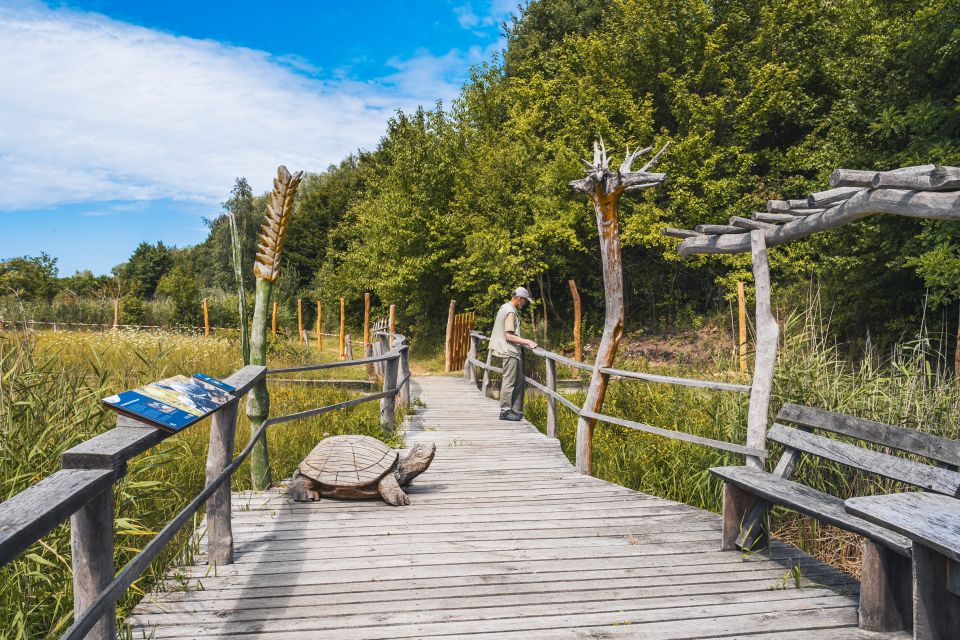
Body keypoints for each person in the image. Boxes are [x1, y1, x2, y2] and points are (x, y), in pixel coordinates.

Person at [488, 287, 538, 421]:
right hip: (509, 351)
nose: (525, 304)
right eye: (525, 301)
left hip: (509, 350)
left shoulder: (504, 307)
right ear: (519, 298)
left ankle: (511, 410)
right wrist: (527, 342)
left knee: (518, 381)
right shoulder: (510, 312)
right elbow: (509, 336)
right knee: (509, 382)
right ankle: (505, 411)